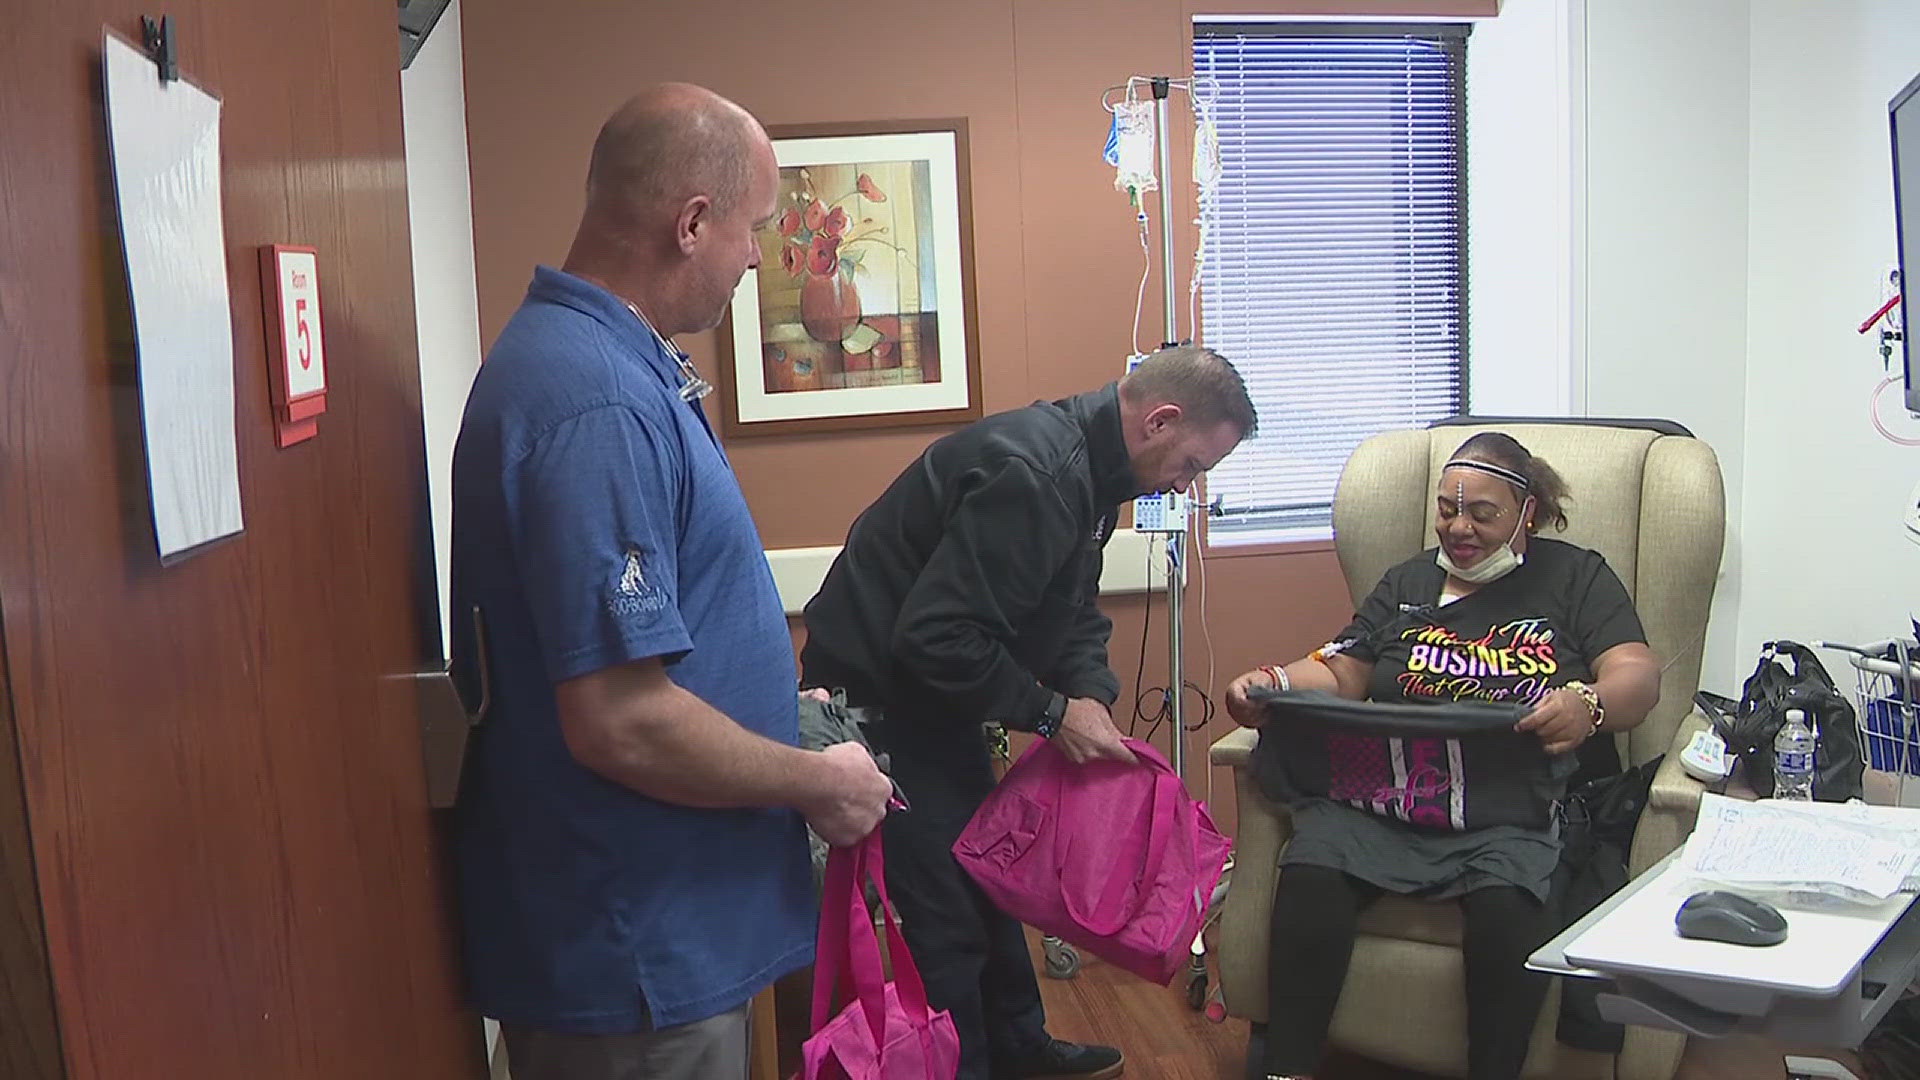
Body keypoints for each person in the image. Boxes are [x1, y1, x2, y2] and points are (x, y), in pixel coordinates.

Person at [448, 84, 893, 1080]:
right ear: (692, 221)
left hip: (666, 935)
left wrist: (778, 708)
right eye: (753, 230)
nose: (755, 257)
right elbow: (620, 717)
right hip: (635, 959)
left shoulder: (611, 366)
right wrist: (816, 779)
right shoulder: (592, 400)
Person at [801, 345, 1258, 1080]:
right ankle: (972, 1064)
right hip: (879, 704)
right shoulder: (1037, 476)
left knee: (987, 879)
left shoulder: (1089, 476)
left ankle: (1018, 1046)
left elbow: (1071, 611)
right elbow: (934, 639)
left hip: (934, 700)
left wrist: (1090, 695)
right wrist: (1049, 714)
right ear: (1161, 421)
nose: (1187, 486)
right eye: (1193, 466)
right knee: (945, 914)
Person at [1223, 432, 1663, 1080]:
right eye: (1447, 510)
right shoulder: (1409, 584)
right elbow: (1342, 670)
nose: (1459, 528)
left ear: (1527, 512)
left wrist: (1587, 705)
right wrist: (1275, 683)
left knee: (1507, 902)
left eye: (1481, 514)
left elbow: (1638, 675)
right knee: (1314, 864)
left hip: (1519, 803)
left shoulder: (1576, 577)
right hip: (1398, 796)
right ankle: (1285, 1069)